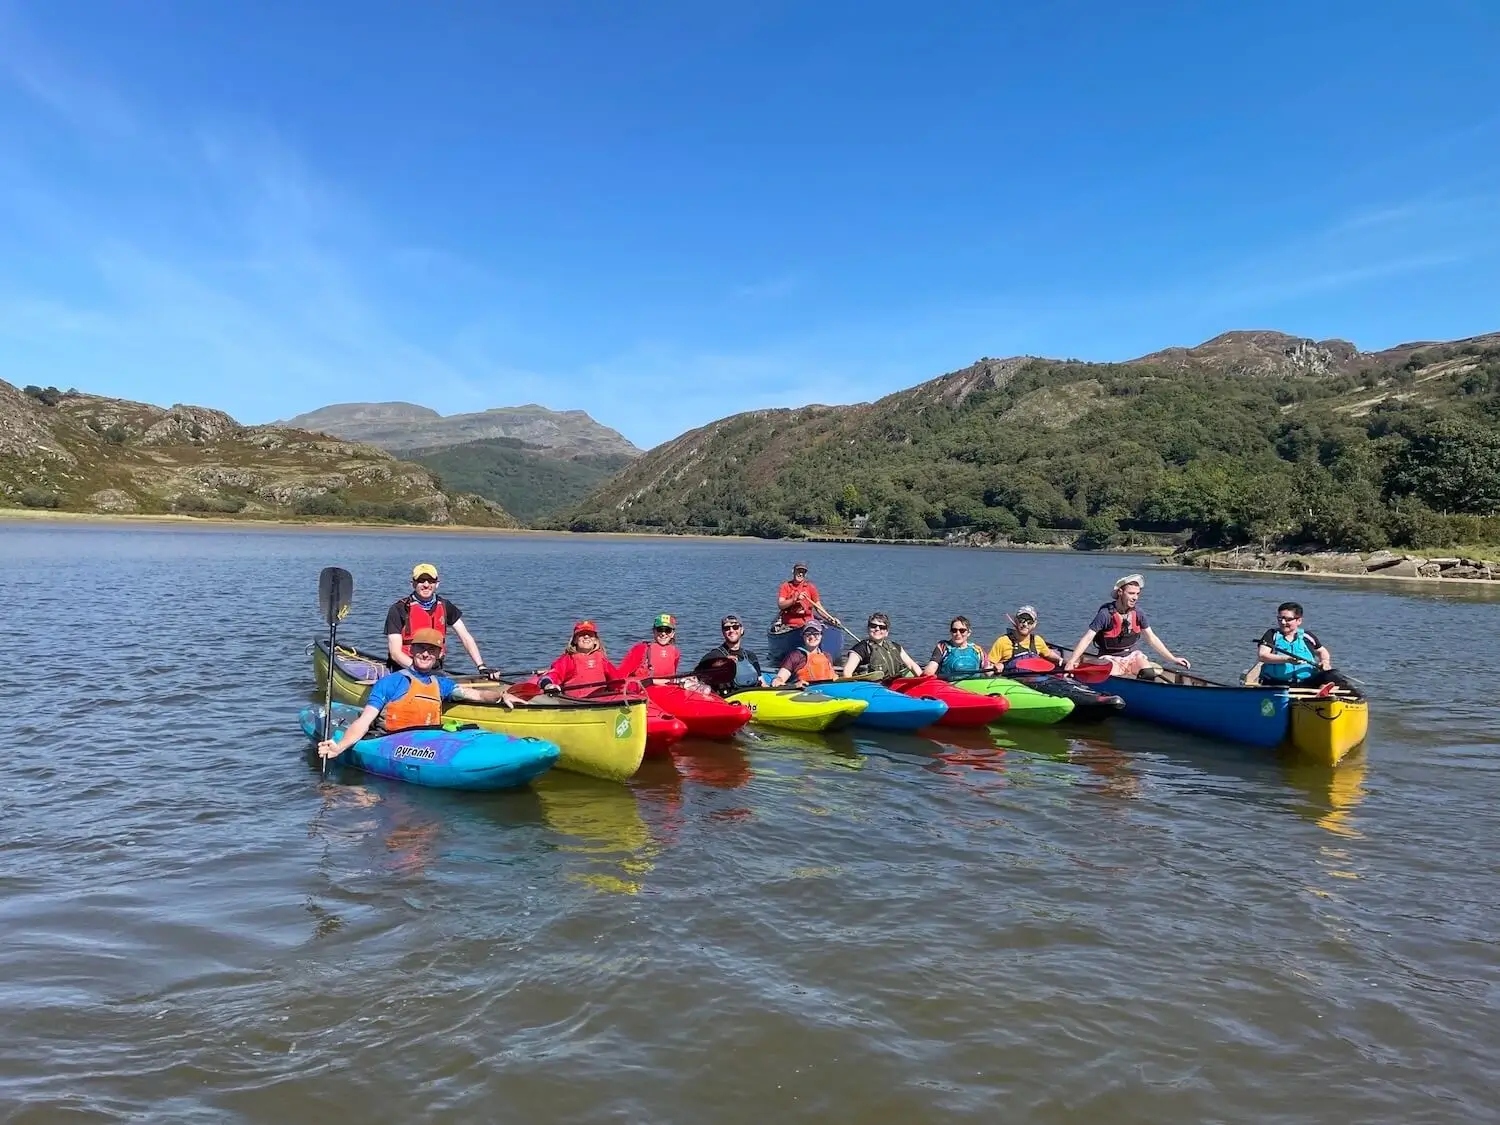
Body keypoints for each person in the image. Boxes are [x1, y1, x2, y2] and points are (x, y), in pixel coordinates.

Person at [318, 629, 519, 759]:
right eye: (421, 648)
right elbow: (365, 720)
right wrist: (340, 746)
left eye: (431, 650)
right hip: (390, 741)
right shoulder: (391, 682)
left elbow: (477, 695)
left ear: (439, 655)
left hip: (428, 743)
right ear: (412, 650)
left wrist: (502, 695)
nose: (425, 654)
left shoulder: (441, 685)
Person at [383, 563, 499, 678]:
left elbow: (465, 637)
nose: (426, 585)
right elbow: (395, 653)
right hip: (405, 669)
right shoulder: (398, 609)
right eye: (421, 580)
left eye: (431, 581)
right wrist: (420, 671)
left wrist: (481, 666)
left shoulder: (444, 606)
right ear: (413, 584)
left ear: (437, 584)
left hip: (434, 669)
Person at [1063, 574, 1189, 678]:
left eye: (1137, 594)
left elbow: (1152, 638)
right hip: (1110, 658)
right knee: (1114, 674)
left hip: (1131, 656)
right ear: (1120, 592)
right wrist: (1072, 661)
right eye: (1131, 593)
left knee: (1148, 673)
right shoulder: (1105, 614)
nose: (1135, 598)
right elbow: (1087, 638)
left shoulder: (1138, 613)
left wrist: (1173, 659)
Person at [1257, 602, 1347, 688]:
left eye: (1288, 619)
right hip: (1276, 683)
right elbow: (1263, 656)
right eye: (1280, 619)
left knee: (1334, 674)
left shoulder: (1307, 636)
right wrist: (1287, 659)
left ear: (1299, 620)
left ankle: (1325, 695)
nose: (1283, 622)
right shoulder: (1272, 634)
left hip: (1306, 682)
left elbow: (1322, 651)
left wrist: (1325, 662)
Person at [539, 621, 620, 695]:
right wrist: (548, 684)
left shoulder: (602, 660)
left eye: (590, 634)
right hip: (575, 702)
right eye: (581, 634)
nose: (586, 637)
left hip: (599, 701)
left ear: (595, 640)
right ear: (575, 640)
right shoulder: (567, 660)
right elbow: (554, 674)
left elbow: (617, 681)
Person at [842, 612, 923, 678]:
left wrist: (922, 679)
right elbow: (847, 673)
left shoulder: (896, 647)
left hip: (893, 685)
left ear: (887, 632)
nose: (877, 629)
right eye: (873, 626)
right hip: (871, 688)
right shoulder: (860, 649)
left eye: (882, 627)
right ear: (868, 628)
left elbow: (912, 665)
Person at [699, 614, 765, 694]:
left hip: (753, 700)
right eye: (727, 628)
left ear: (742, 630)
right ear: (723, 632)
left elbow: (762, 682)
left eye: (735, 627)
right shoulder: (713, 656)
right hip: (728, 700)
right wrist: (722, 664)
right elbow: (697, 678)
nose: (731, 630)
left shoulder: (751, 656)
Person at [988, 606, 1060, 671]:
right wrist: (995, 667)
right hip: (1013, 682)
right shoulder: (1002, 641)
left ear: (1034, 624)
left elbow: (1048, 653)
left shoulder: (1037, 640)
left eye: (1029, 621)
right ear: (1016, 620)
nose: (1025, 624)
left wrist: (1061, 660)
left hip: (1037, 680)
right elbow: (988, 667)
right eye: (1022, 620)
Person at [923, 616, 996, 678]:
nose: (958, 634)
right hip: (948, 685)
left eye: (962, 630)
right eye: (954, 630)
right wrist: (928, 671)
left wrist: (997, 669)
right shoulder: (943, 647)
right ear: (950, 632)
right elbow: (931, 669)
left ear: (969, 633)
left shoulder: (977, 649)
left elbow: (988, 671)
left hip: (973, 684)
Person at [617, 614, 682, 680]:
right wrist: (652, 682)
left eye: (667, 630)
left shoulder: (675, 652)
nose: (663, 633)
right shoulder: (640, 649)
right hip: (644, 687)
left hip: (669, 688)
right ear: (654, 631)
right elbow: (620, 676)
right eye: (660, 629)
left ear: (673, 634)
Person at [770, 621, 837, 686]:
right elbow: (780, 678)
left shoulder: (827, 656)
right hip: (804, 692)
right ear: (803, 636)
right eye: (808, 634)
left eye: (816, 633)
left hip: (827, 692)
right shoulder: (795, 656)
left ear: (821, 636)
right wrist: (778, 680)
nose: (812, 637)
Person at [776, 562, 824, 629]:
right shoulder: (785, 586)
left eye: (803, 572)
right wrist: (795, 599)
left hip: (808, 623)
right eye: (798, 571)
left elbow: (818, 607)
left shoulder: (810, 587)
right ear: (793, 571)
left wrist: (830, 619)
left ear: (805, 574)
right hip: (789, 625)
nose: (801, 574)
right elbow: (781, 605)